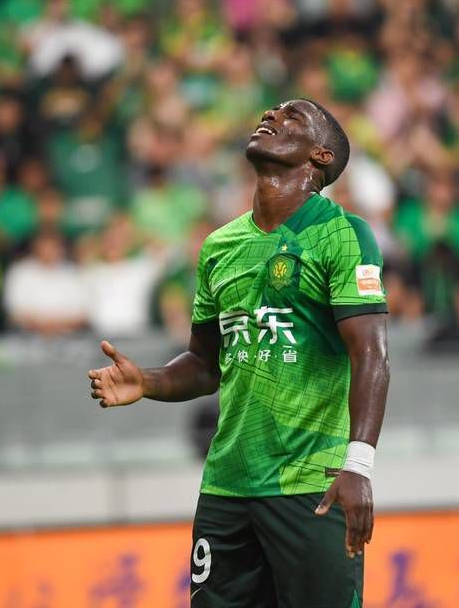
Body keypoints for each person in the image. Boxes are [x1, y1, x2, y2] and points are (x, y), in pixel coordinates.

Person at [88, 99, 390, 606]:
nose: (271, 117)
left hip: (310, 486)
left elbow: (371, 355)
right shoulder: (218, 247)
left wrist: (358, 465)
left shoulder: (345, 235)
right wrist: (149, 381)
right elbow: (205, 365)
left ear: (319, 157)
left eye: (292, 118)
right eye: (271, 112)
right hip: (227, 489)